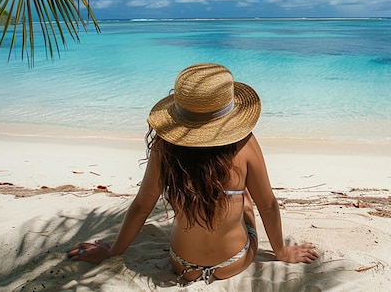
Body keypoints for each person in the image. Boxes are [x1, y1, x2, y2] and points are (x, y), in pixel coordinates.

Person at [67, 63, 318, 285]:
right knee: (248, 198)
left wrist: (113, 252)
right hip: (235, 261)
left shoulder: (164, 148)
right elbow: (269, 206)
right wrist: (282, 252)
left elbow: (142, 206)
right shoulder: (245, 145)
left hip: (182, 265)